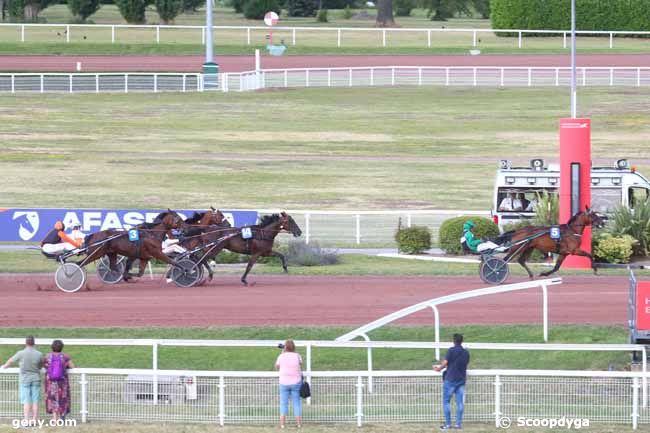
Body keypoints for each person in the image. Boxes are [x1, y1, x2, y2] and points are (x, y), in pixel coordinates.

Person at [0, 336, 43, 424]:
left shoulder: (21, 353)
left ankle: (26, 420)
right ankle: (34, 420)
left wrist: (4, 367)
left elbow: (10, 361)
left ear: (26, 343)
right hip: (36, 379)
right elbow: (40, 366)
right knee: (35, 400)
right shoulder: (39, 354)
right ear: (34, 343)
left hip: (25, 379)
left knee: (26, 401)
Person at [434, 333, 470, 431]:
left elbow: (446, 363)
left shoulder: (451, 351)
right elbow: (464, 364)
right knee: (460, 403)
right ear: (462, 341)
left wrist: (438, 369)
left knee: (446, 402)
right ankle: (458, 425)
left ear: (454, 341)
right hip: (461, 380)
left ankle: (448, 424)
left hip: (450, 380)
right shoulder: (466, 352)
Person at [43, 340, 74, 422]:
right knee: (63, 398)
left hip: (51, 382)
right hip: (62, 382)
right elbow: (72, 366)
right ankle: (62, 418)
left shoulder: (48, 356)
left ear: (52, 347)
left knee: (52, 398)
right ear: (62, 347)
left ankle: (54, 419)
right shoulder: (65, 356)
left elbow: (44, 365)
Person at [274, 339, 303, 429]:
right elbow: (301, 363)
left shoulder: (281, 356)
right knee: (296, 403)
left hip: (284, 382)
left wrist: (283, 353)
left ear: (285, 347)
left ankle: (282, 424)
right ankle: (298, 424)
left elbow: (277, 367)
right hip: (296, 382)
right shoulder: (297, 355)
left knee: (283, 403)